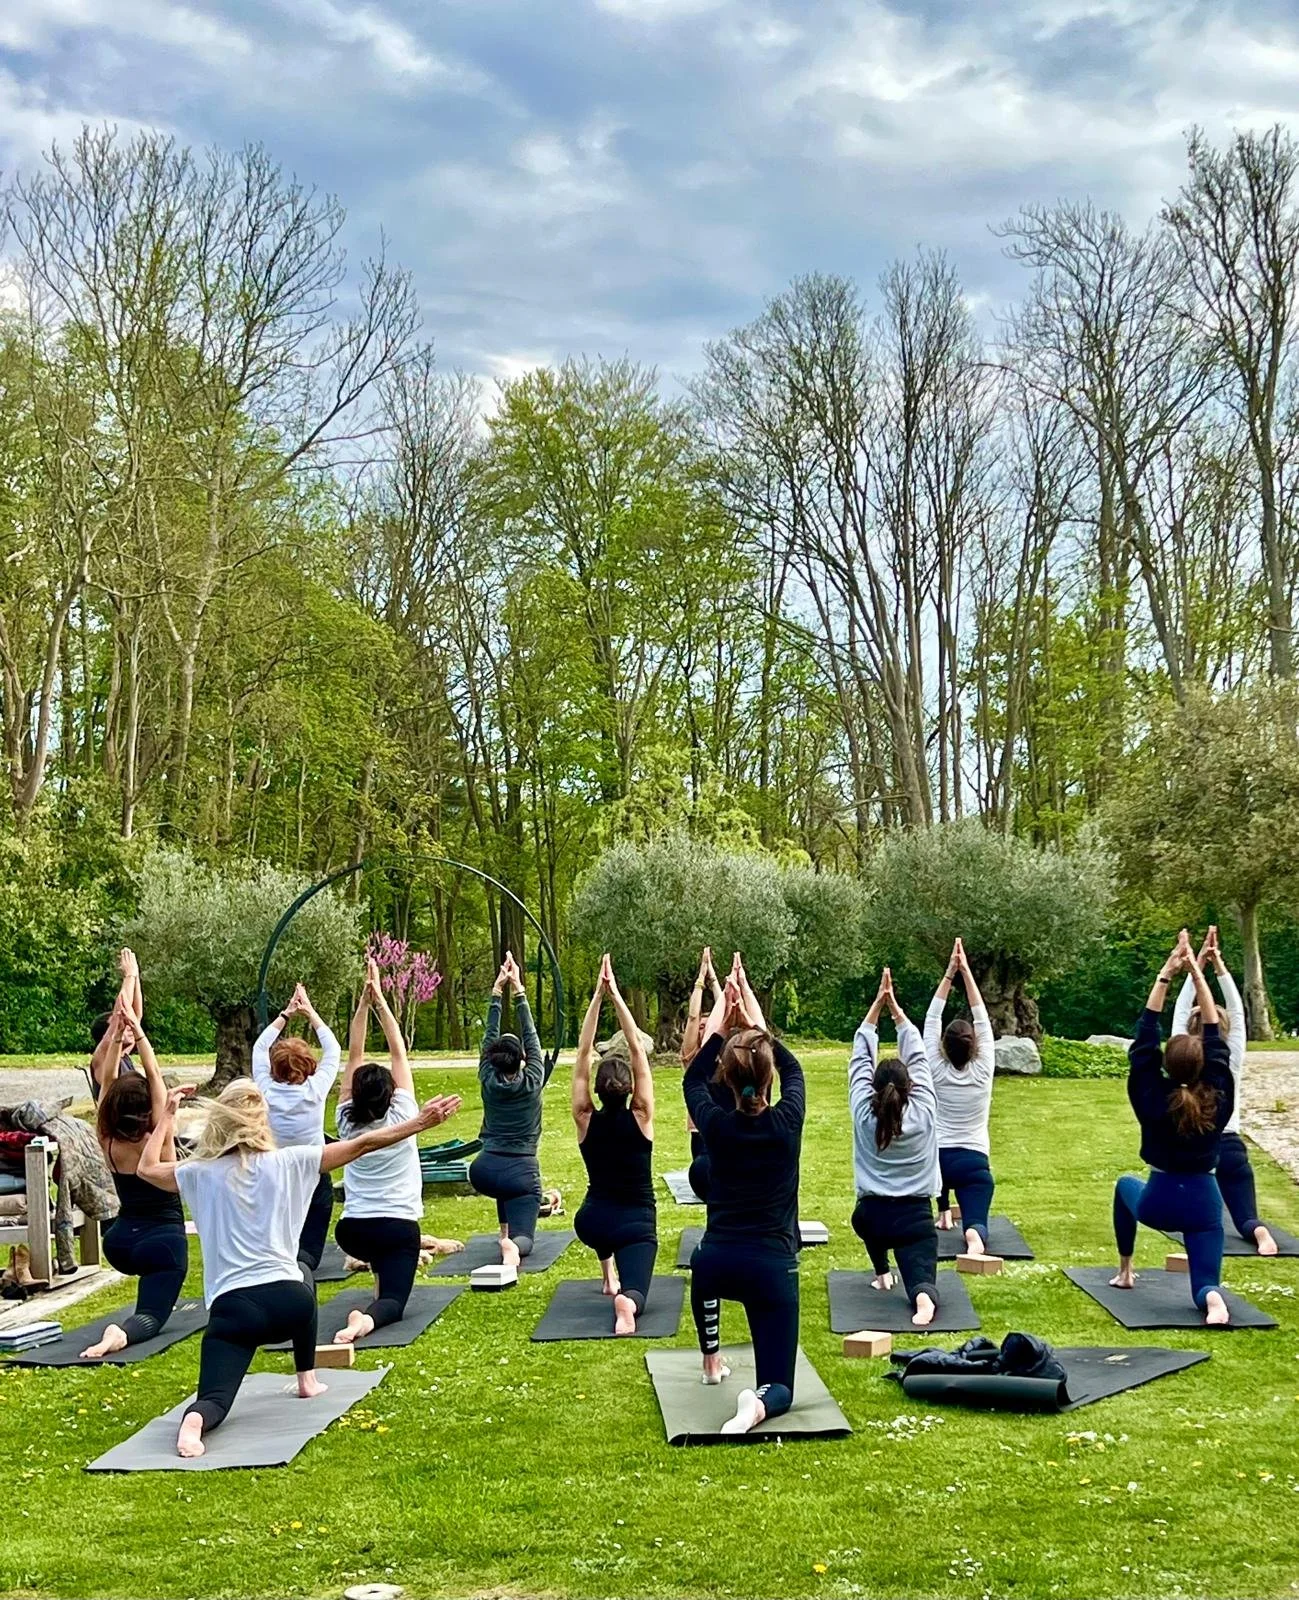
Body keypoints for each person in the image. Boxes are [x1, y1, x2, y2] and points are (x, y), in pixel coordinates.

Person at [139, 1078, 461, 1458]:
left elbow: (147, 1168)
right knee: (303, 1274)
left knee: (214, 1399)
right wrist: (418, 1123)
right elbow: (364, 1144)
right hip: (291, 1305)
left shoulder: (197, 1172)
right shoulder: (293, 1159)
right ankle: (306, 1379)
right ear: (262, 1122)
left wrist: (168, 1117)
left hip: (234, 1312)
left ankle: (194, 1425)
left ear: (219, 1124)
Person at [684, 965, 805, 1436]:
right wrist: (751, 1021)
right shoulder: (787, 1121)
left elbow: (692, 1080)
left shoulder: (716, 1125)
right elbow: (790, 1066)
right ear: (768, 1077)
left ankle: (711, 1360)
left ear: (729, 1082)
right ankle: (756, 1407)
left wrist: (720, 1029)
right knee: (780, 1387)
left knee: (701, 1262)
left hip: (717, 1264)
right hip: (771, 1269)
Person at [1111, 929, 1234, 1325]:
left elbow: (1145, 1037)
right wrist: (1199, 976)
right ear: (1204, 1064)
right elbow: (1215, 1038)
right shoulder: (1216, 1095)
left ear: (1165, 1063)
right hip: (1204, 1204)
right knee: (1205, 1281)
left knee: (1124, 1186)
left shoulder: (1150, 1096)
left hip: (1158, 1203)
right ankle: (1212, 1298)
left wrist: (1168, 971)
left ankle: (1125, 1271)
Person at [81, 1003, 190, 1359]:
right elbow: (155, 1075)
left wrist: (117, 1035)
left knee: (153, 1282)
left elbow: (107, 1080)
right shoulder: (157, 1134)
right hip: (161, 1243)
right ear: (151, 1107)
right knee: (151, 1317)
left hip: (119, 1243)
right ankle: (119, 1334)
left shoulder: (106, 1136)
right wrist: (138, 1034)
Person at [331, 957, 428, 1344]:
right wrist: (382, 1001)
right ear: (391, 1096)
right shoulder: (404, 1112)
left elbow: (353, 1055)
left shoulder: (345, 1120)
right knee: (393, 1303)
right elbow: (398, 1051)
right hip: (396, 1228)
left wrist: (362, 1005)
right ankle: (364, 1321)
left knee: (381, 1256)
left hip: (352, 1232)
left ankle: (375, 1279)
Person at [1172, 926, 1277, 1256]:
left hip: (1195, 1151)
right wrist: (1219, 967)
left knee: (1197, 1215)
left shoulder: (1182, 1059)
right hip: (1231, 1147)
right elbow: (1237, 1013)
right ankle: (1259, 1233)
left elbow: (1179, 1010)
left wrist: (1195, 965)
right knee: (1245, 1215)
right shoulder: (1230, 1061)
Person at [848, 968, 941, 1328]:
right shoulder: (924, 1112)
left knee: (871, 1224)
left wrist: (877, 1006)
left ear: (873, 1087)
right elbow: (918, 1054)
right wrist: (897, 1012)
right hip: (914, 1219)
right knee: (921, 1277)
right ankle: (921, 1302)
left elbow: (859, 1058)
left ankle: (882, 1272)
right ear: (911, 1086)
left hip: (870, 1218)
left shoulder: (862, 1112)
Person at [571, 953, 656, 1335]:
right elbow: (637, 1050)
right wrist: (617, 995)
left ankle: (608, 1275)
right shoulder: (641, 1114)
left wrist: (597, 997)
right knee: (638, 1288)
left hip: (591, 1223)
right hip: (634, 1224)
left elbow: (583, 1054)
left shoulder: (586, 1118)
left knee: (605, 1230)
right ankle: (626, 1302)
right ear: (629, 1089)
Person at [468, 951, 554, 1267]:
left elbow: (488, 1037)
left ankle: (503, 1232)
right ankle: (513, 1244)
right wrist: (518, 990)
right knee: (526, 1240)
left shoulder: (488, 1077)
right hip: (521, 1171)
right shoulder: (533, 1078)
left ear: (492, 1058)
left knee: (505, 1188)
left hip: (483, 1170)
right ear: (521, 1059)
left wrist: (497, 991)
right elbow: (531, 1037)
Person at [251, 981, 340, 1278]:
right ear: (309, 1066)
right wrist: (310, 1013)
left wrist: (286, 1014)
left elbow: (260, 1046)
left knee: (280, 1217)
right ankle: (305, 1259)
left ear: (274, 1068)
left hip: (275, 1169)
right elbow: (333, 1047)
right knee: (318, 1208)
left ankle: (282, 1256)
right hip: (313, 1168)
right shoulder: (316, 1088)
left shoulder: (266, 1089)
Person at [925, 938, 996, 1258]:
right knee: (976, 1218)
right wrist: (966, 972)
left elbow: (931, 1019)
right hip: (973, 1163)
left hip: (936, 1162)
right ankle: (974, 1237)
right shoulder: (984, 1067)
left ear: (944, 1044)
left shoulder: (934, 1067)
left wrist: (949, 974)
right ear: (974, 1044)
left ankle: (942, 1213)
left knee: (938, 1178)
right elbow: (981, 1015)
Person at [681, 947, 724, 1203]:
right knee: (705, 1181)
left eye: (710, 1025)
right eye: (701, 1027)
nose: (704, 1028)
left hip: (723, 1126)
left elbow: (724, 1011)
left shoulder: (726, 1054)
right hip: (700, 1131)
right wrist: (700, 980)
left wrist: (715, 980)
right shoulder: (692, 1057)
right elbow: (692, 1015)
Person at [89, 948, 144, 1102]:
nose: (129, 1027)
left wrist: (136, 976)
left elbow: (136, 1016)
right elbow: (119, 1017)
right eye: (123, 1026)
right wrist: (129, 975)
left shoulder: (123, 1056)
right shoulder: (102, 1058)